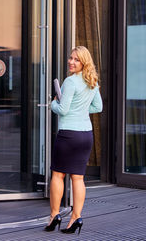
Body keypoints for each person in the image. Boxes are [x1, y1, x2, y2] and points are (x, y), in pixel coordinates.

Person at [44, 46, 103, 234]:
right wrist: (81, 110)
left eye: (76, 59)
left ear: (84, 62)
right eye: (70, 58)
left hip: (69, 135)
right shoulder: (92, 81)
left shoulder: (70, 82)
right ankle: (76, 217)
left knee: (58, 175)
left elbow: (63, 110)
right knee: (78, 178)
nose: (71, 62)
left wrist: (52, 103)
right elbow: (98, 107)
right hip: (86, 135)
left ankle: (54, 215)